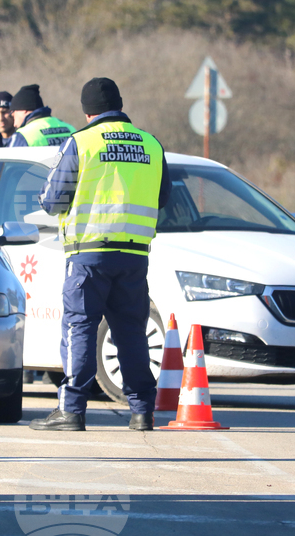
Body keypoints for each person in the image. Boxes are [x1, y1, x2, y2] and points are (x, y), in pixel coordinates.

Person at [30, 77, 171, 431]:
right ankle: (141, 412)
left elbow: (52, 199)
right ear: (120, 105)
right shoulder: (151, 143)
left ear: (87, 111)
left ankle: (72, 410)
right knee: (131, 331)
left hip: (88, 254)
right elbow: (163, 196)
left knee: (80, 327)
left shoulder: (81, 142)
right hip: (135, 255)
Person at [9, 84, 75, 147]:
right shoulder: (71, 129)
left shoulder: (22, 135)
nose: (14, 124)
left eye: (13, 114)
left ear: (24, 110)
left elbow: (11, 158)